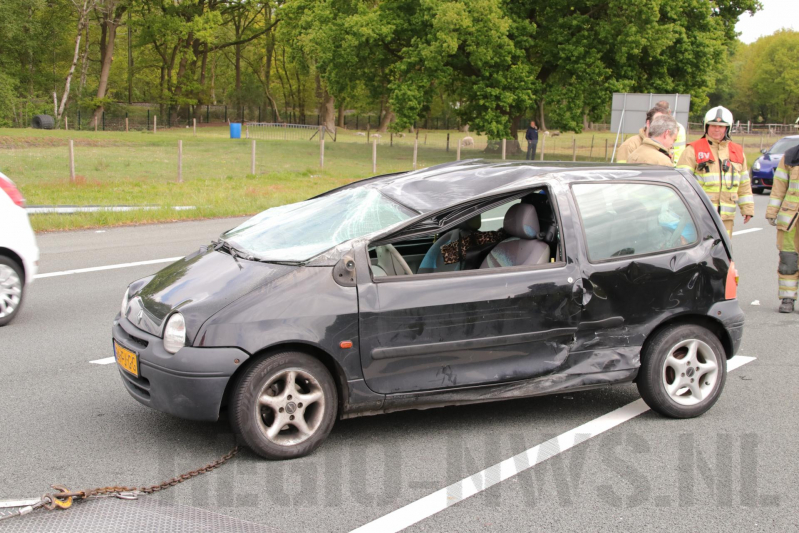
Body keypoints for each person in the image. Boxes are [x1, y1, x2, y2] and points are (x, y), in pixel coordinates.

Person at [677, 106, 754, 236]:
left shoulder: (737, 151)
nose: (716, 129)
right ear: (706, 126)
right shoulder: (693, 149)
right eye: (713, 125)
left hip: (727, 217)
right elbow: (681, 182)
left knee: (724, 251)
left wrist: (747, 208)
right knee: (702, 252)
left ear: (727, 128)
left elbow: (744, 184)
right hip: (700, 214)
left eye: (721, 126)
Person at [765, 143, 799, 312]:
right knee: (788, 259)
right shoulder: (791, 156)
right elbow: (779, 188)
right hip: (791, 220)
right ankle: (787, 298)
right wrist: (772, 211)